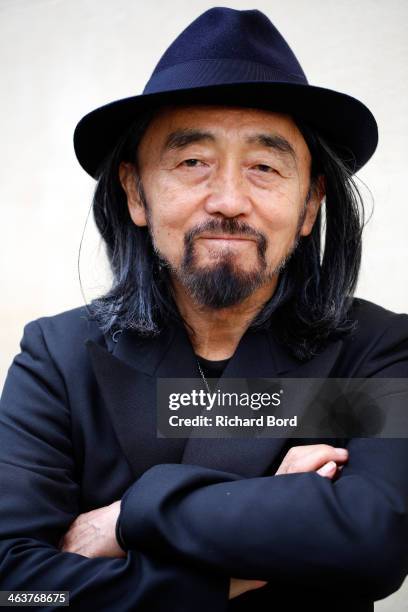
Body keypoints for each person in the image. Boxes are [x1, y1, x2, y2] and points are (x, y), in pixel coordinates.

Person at [1, 6, 407, 611]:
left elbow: (374, 542)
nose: (228, 199)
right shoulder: (58, 359)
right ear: (136, 192)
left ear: (310, 206)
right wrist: (235, 566)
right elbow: (19, 589)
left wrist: (128, 517)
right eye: (192, 162)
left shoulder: (370, 350)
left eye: (265, 167)